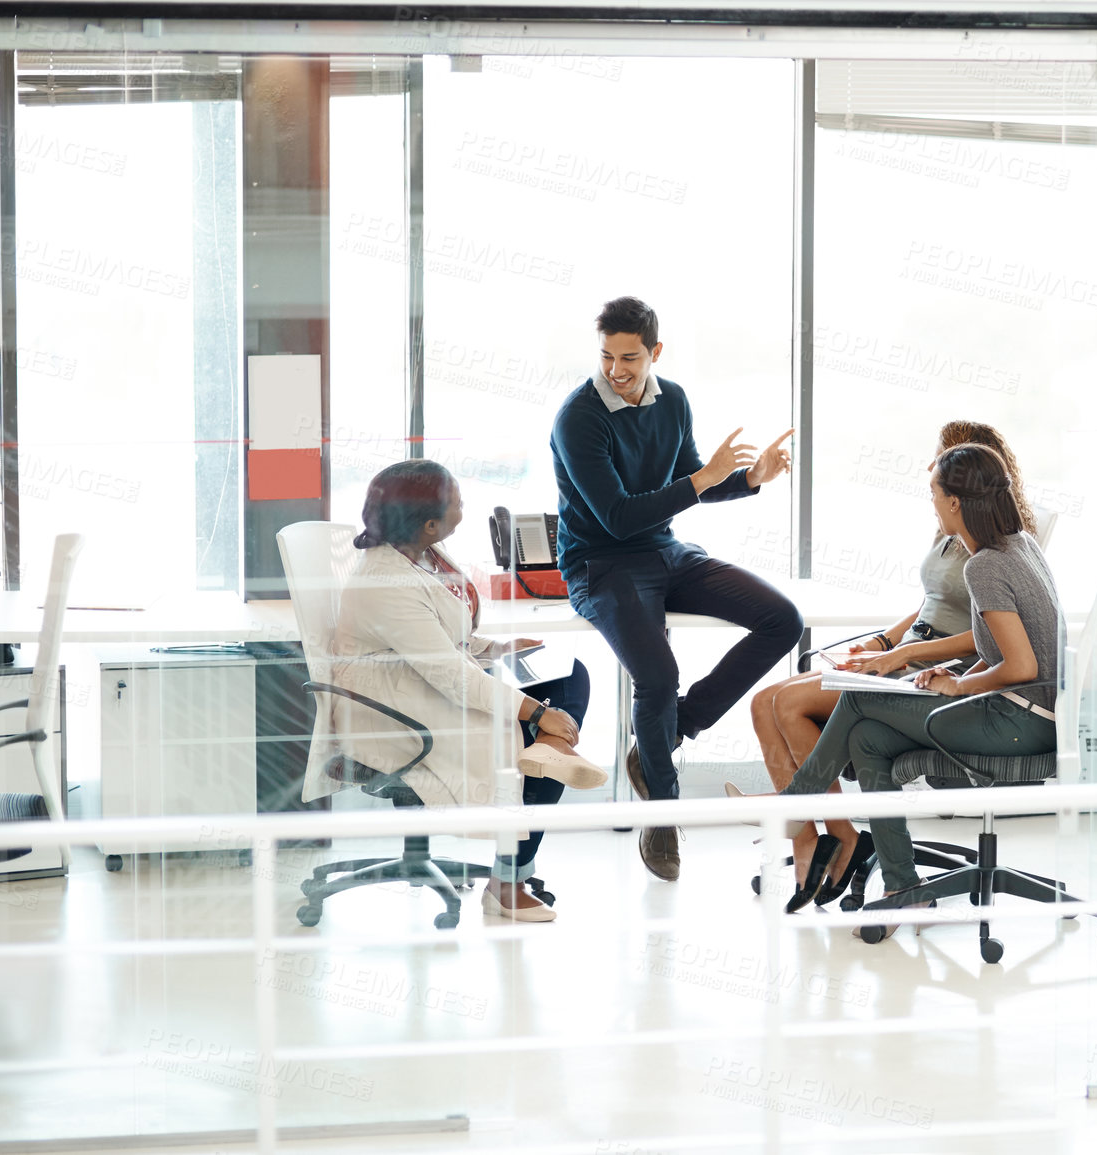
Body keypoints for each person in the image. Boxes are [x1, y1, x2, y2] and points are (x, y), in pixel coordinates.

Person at [737, 422, 1040, 911]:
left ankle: (828, 831)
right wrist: (884, 641)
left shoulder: (991, 552)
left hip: (941, 665)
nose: (928, 472)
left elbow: (1001, 644)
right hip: (916, 650)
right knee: (763, 701)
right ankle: (810, 840)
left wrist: (905, 659)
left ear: (961, 488)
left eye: (938, 466)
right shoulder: (955, 533)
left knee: (792, 704)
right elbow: (931, 602)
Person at [552, 296, 804, 882]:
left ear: (655, 353)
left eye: (631, 358)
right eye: (608, 356)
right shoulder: (578, 417)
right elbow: (616, 516)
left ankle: (667, 735)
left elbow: (692, 481)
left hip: (665, 551)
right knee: (658, 676)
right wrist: (703, 479)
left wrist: (747, 480)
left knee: (782, 620)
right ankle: (662, 812)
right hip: (600, 561)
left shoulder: (674, 401)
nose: (617, 369)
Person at [327, 460, 607, 923]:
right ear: (430, 523)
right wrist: (536, 713)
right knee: (519, 744)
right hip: (394, 711)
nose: (464, 506)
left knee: (569, 673)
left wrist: (496, 647)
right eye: (457, 501)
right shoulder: (386, 581)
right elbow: (450, 675)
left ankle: (552, 750)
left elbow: (442, 636)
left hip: (426, 680)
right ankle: (507, 883)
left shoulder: (422, 554)